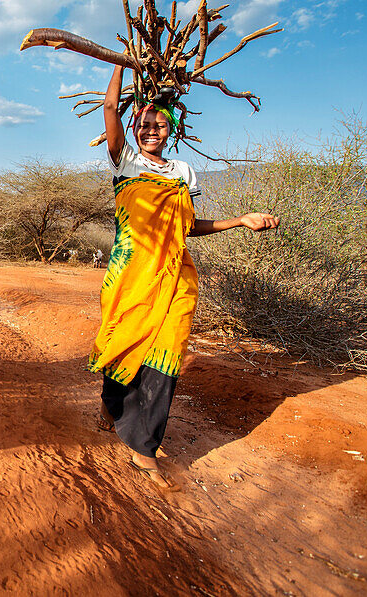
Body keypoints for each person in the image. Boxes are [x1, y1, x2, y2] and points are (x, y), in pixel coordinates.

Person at [91, 65, 278, 490]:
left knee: (168, 352)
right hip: (129, 274)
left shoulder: (183, 171)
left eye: (159, 125)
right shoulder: (126, 160)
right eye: (143, 124)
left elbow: (188, 226)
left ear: (171, 129)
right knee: (125, 342)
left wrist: (240, 221)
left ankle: (144, 447)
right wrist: (122, 63)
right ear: (133, 126)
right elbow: (108, 107)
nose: (150, 130)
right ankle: (113, 406)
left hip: (175, 275)